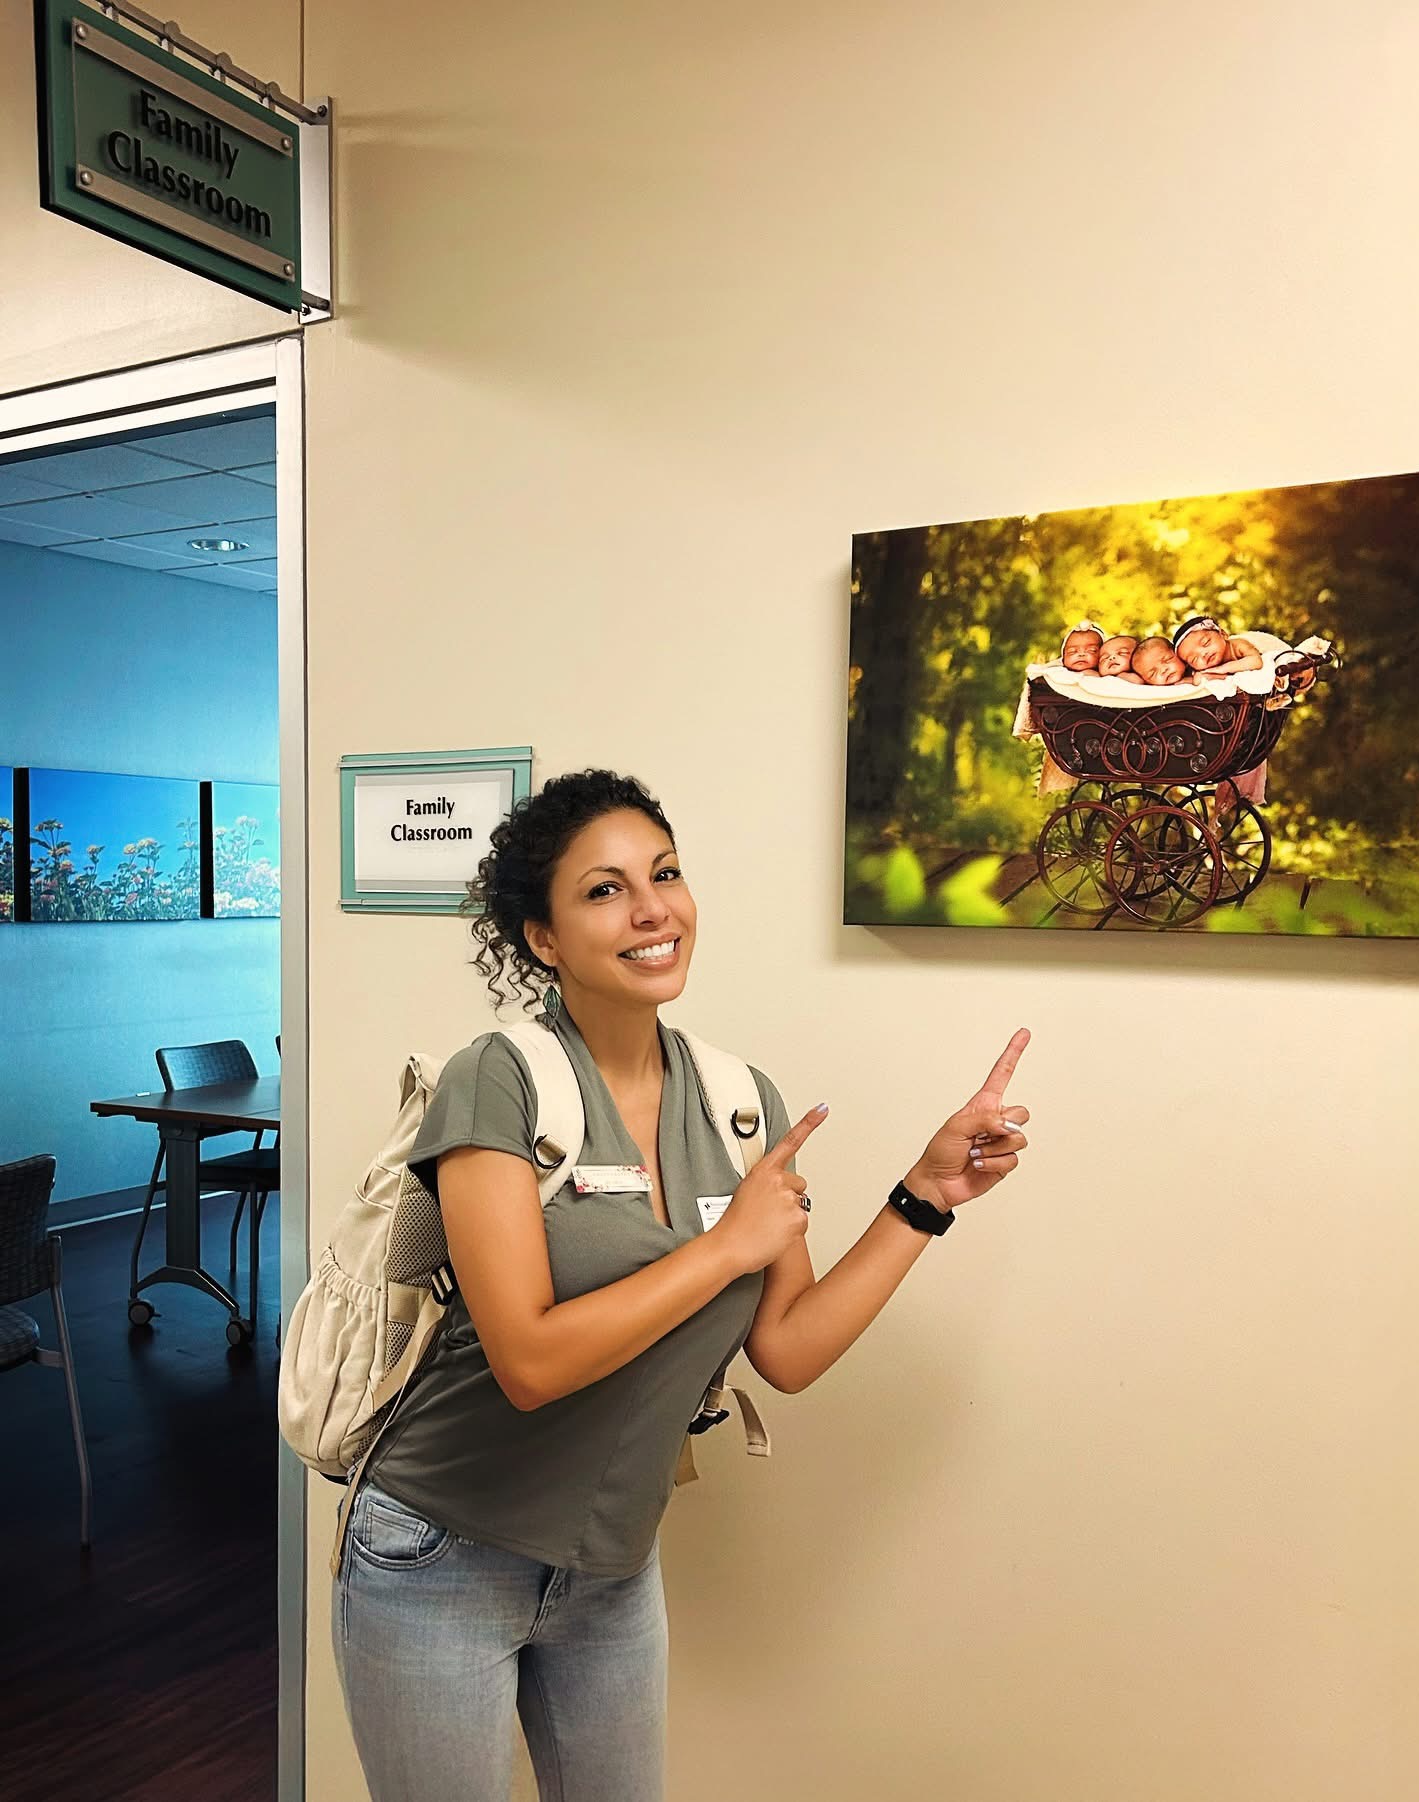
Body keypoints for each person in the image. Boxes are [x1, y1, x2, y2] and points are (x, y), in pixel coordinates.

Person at [330, 769, 1033, 1802]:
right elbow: (529, 1362)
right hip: (440, 1552)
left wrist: (923, 1195)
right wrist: (723, 1248)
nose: (653, 909)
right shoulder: (500, 1079)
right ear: (543, 938)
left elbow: (787, 1348)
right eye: (604, 890)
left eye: (664, 874)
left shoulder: (739, 1101)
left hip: (611, 1569)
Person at [1172, 614, 1262, 679]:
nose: (1203, 654)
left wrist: (1223, 669)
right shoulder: (1206, 668)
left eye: (1206, 643)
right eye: (1193, 659)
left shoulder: (1238, 645)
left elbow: (1256, 661)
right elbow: (1198, 680)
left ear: (1223, 634)